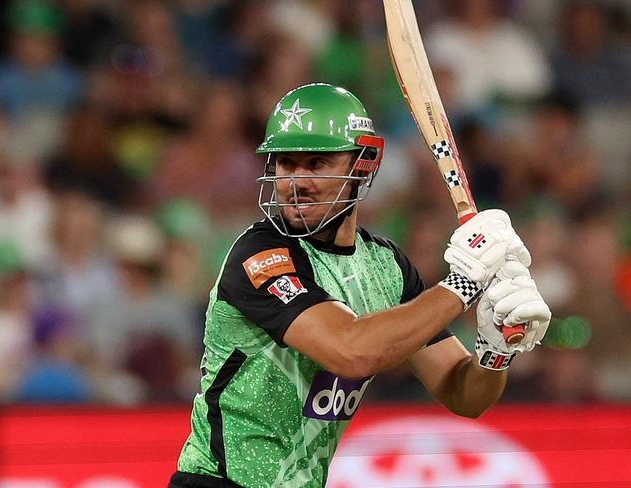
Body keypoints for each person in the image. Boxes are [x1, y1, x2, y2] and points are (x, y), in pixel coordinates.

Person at [169, 83, 551, 488]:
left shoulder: (387, 267)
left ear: (364, 164)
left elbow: (463, 394)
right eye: (285, 163)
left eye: (317, 163)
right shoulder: (260, 254)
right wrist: (462, 284)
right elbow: (350, 351)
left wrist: (495, 352)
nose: (295, 181)